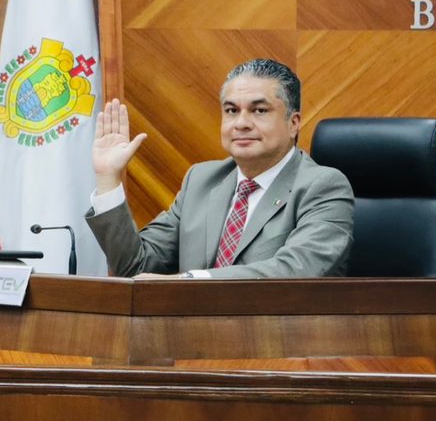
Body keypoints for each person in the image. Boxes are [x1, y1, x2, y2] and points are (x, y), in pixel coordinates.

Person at [85, 58, 352, 279]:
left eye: (259, 111)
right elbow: (135, 267)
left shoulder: (323, 186)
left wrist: (191, 281)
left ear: (293, 123)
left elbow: (297, 270)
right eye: (231, 111)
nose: (241, 123)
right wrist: (108, 179)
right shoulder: (201, 180)